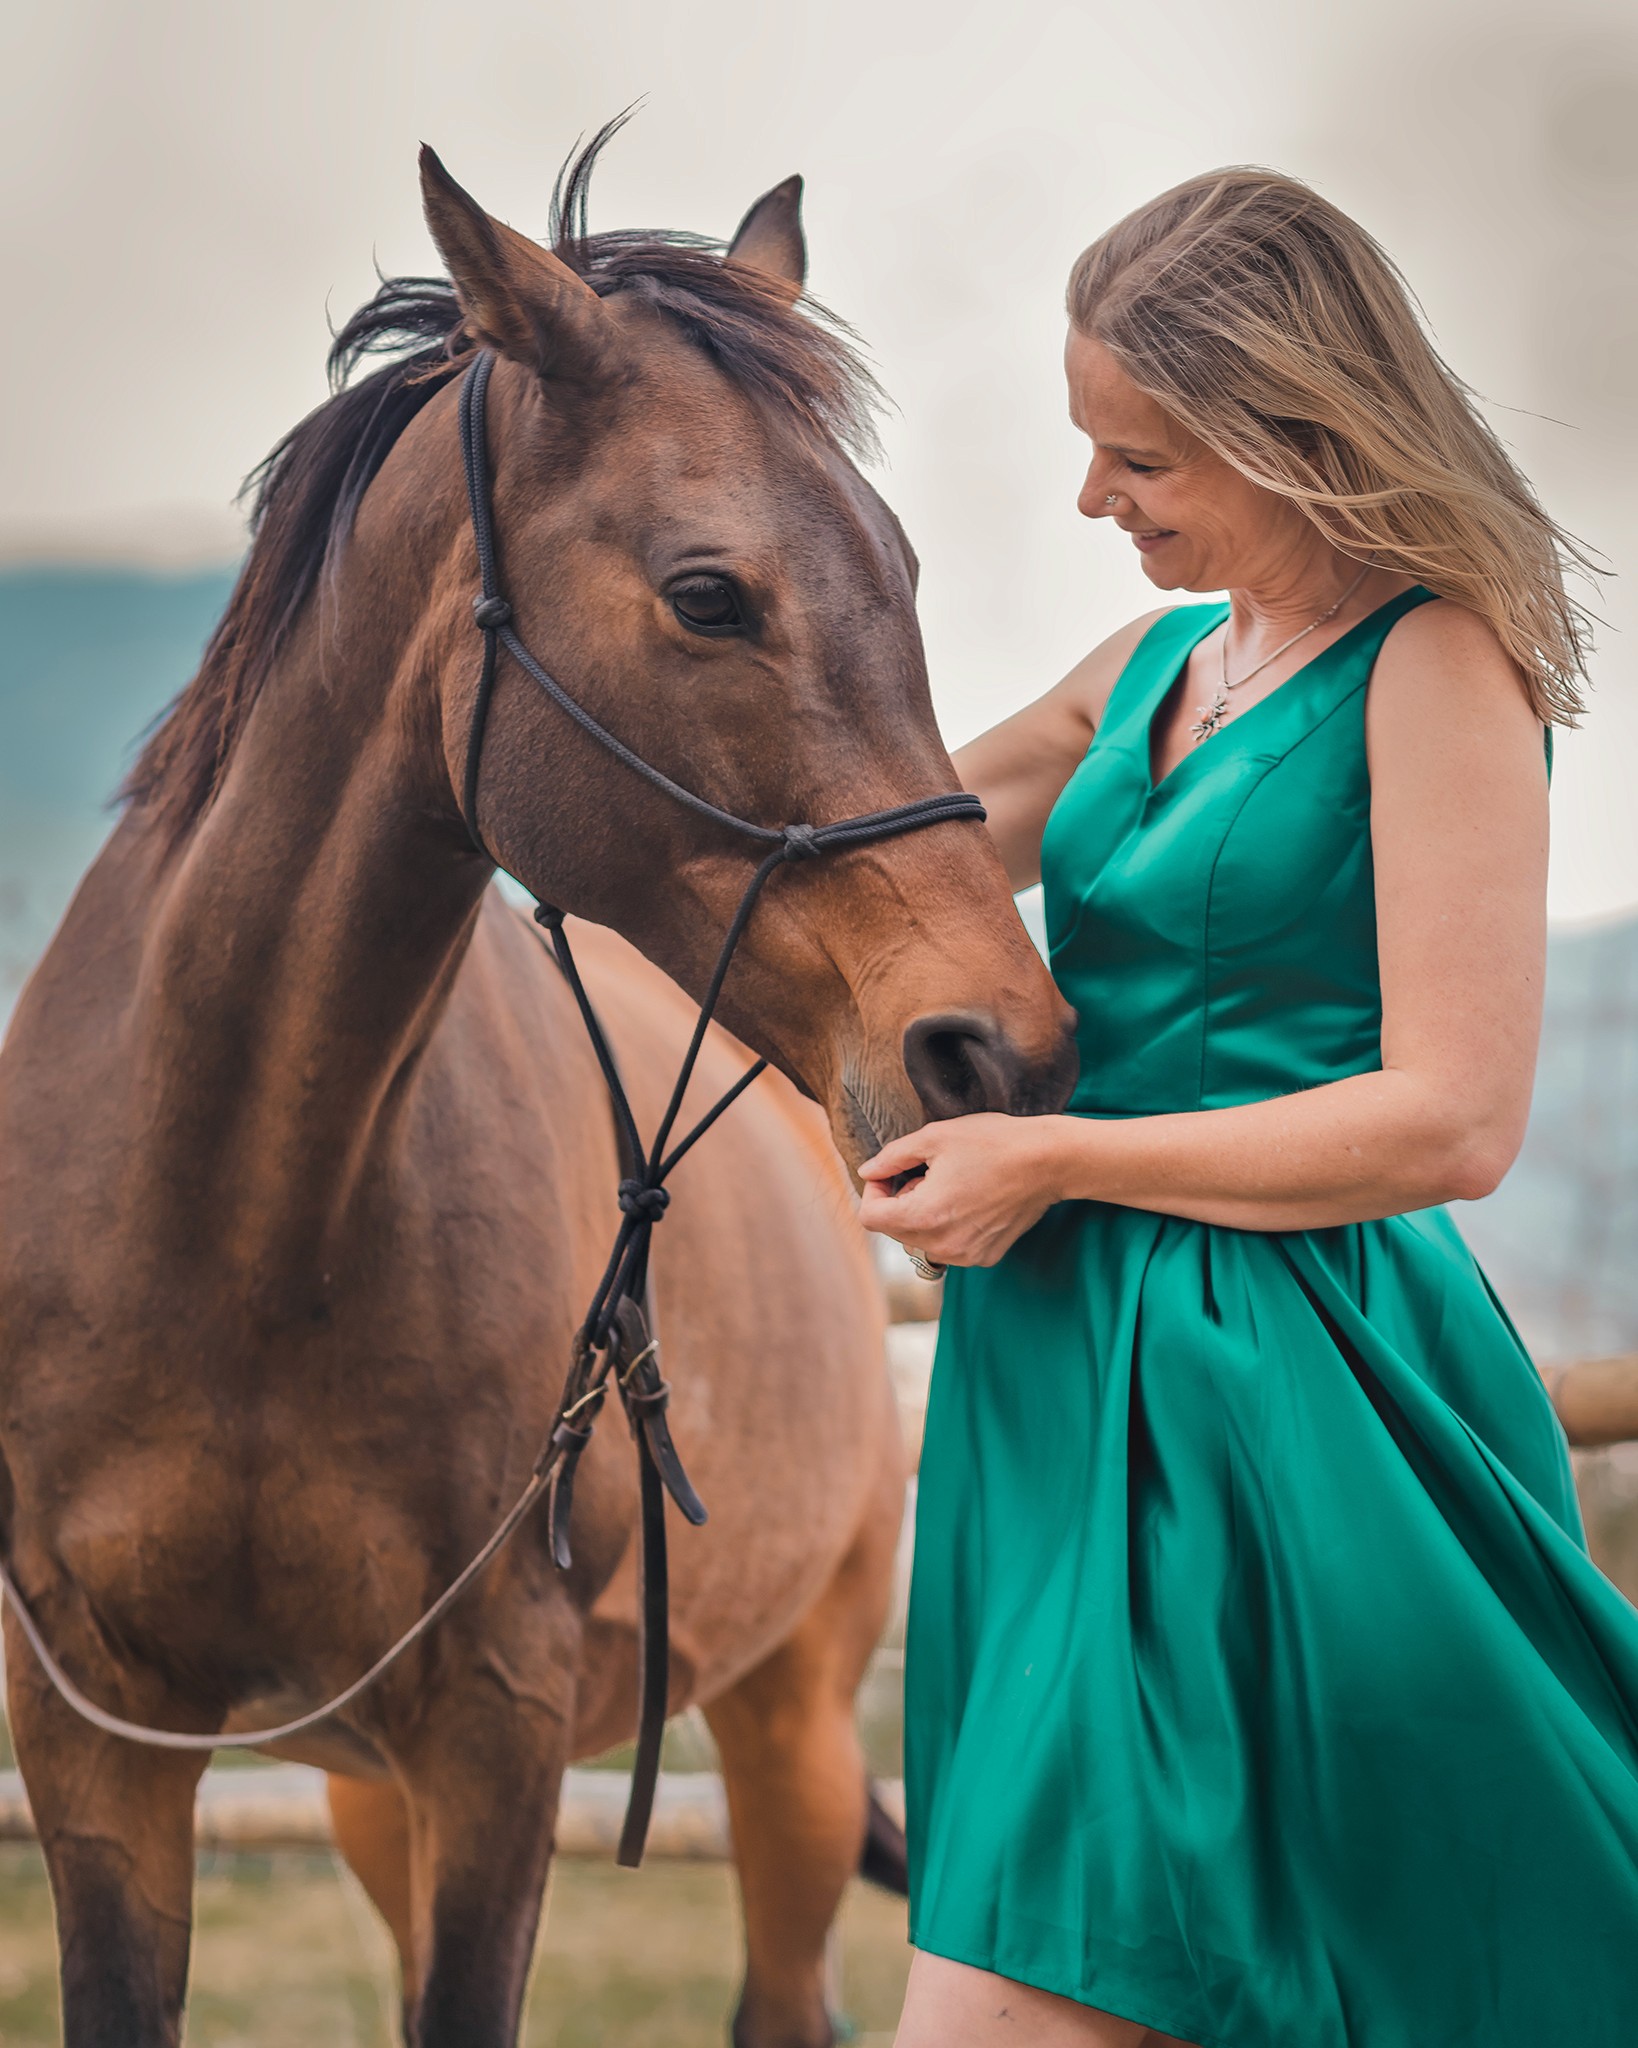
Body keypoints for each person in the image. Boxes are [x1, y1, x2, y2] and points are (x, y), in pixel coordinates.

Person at [860, 168, 1638, 2048]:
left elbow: (1452, 1122)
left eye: (1140, 460)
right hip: (1053, 1396)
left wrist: (1050, 1156)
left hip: (1280, 1382)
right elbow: (866, 873)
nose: (1089, 501)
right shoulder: (1144, 674)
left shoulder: (1434, 662)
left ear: (1293, 432)